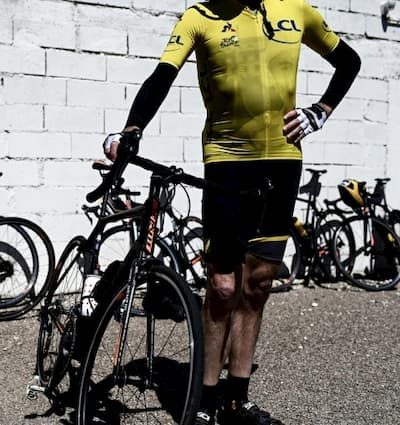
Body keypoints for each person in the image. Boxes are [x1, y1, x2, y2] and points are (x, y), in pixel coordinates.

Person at [103, 1, 360, 423]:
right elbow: (162, 77)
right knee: (223, 287)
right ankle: (204, 401)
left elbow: (348, 61)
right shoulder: (199, 16)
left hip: (282, 160)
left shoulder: (298, 11)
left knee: (258, 284)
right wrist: (133, 129)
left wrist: (321, 111)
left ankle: (237, 399)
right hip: (227, 162)